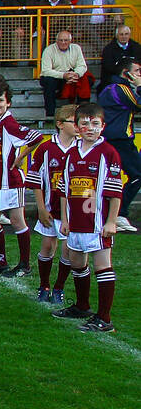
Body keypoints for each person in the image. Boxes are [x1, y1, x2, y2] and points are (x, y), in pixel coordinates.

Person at [51, 103, 123, 332]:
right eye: (84, 123)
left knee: (102, 265)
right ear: (78, 127)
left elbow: (115, 192)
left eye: (95, 124)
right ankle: (82, 306)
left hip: (98, 222)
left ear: (103, 126)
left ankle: (105, 318)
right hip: (75, 221)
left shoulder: (108, 153)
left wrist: (111, 221)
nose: (89, 128)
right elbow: (64, 189)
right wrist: (64, 219)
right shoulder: (71, 154)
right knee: (78, 262)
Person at [0, 80, 42, 277]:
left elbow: (37, 137)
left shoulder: (9, 124)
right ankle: (1, 261)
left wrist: (21, 156)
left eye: (0, 100)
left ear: (8, 103)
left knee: (17, 221)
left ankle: (24, 264)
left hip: (11, 182)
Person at [29, 104, 80, 303]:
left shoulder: (82, 148)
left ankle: (59, 288)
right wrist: (41, 208)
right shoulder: (46, 148)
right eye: (73, 122)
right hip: (50, 210)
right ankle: (44, 285)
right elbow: (36, 181)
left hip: (72, 213)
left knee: (68, 250)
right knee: (48, 247)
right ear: (60, 124)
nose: (78, 126)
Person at [98, 59, 141, 233]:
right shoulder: (120, 89)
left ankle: (111, 215)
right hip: (120, 141)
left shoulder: (110, 88)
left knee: (110, 179)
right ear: (126, 73)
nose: (140, 75)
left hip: (114, 139)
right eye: (137, 71)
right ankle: (119, 214)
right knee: (137, 175)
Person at [39, 30, 90, 116]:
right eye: (60, 40)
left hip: (71, 74)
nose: (63, 42)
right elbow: (46, 70)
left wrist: (76, 74)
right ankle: (50, 114)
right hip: (54, 76)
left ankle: (83, 111)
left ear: (70, 41)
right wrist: (63, 75)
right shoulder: (49, 50)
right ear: (56, 41)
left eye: (66, 40)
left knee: (85, 79)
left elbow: (82, 66)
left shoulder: (76, 48)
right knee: (49, 82)